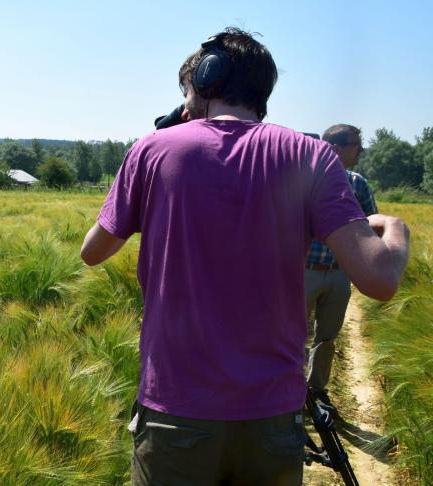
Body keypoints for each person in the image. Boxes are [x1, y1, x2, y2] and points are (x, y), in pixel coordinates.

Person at [80, 28, 409, 485]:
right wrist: (396, 229)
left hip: (176, 410)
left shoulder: (151, 150)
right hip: (271, 415)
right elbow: (380, 278)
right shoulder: (311, 155)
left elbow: (92, 252)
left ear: (206, 81)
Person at [306, 124, 377, 412]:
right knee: (290, 334)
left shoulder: (358, 183)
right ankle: (286, 393)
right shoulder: (303, 180)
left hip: (338, 273)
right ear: (335, 148)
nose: (361, 150)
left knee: (327, 337)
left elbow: (371, 223)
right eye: (356, 145)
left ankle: (316, 391)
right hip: (303, 270)